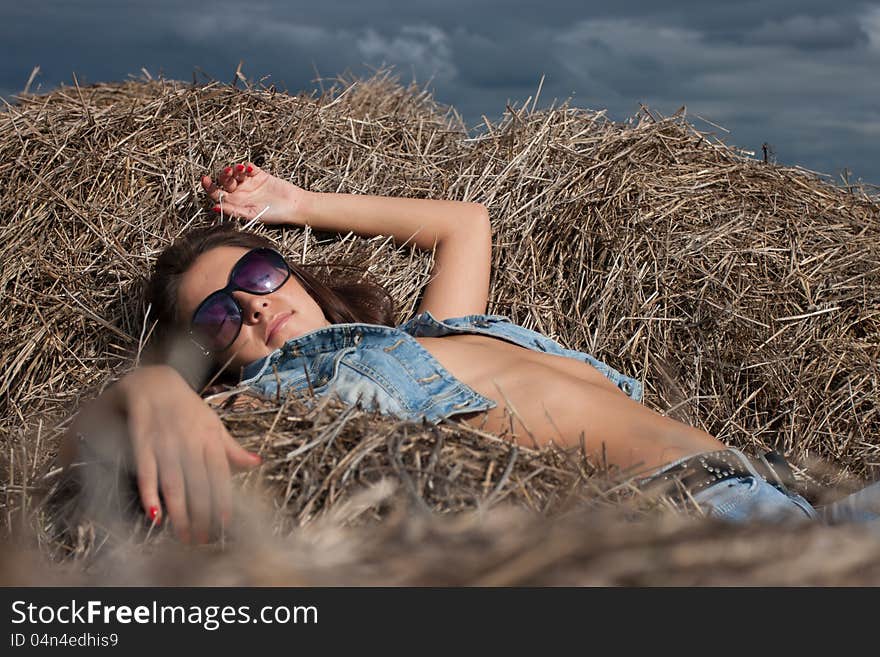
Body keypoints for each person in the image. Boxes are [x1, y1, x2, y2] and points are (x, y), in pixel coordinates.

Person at [61, 162, 880, 544]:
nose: (253, 302)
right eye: (215, 315)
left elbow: (465, 220)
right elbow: (90, 438)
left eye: (258, 269)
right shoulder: (297, 393)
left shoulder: (426, 337)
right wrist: (150, 388)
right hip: (710, 523)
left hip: (785, 479)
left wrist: (294, 201)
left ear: (291, 270)